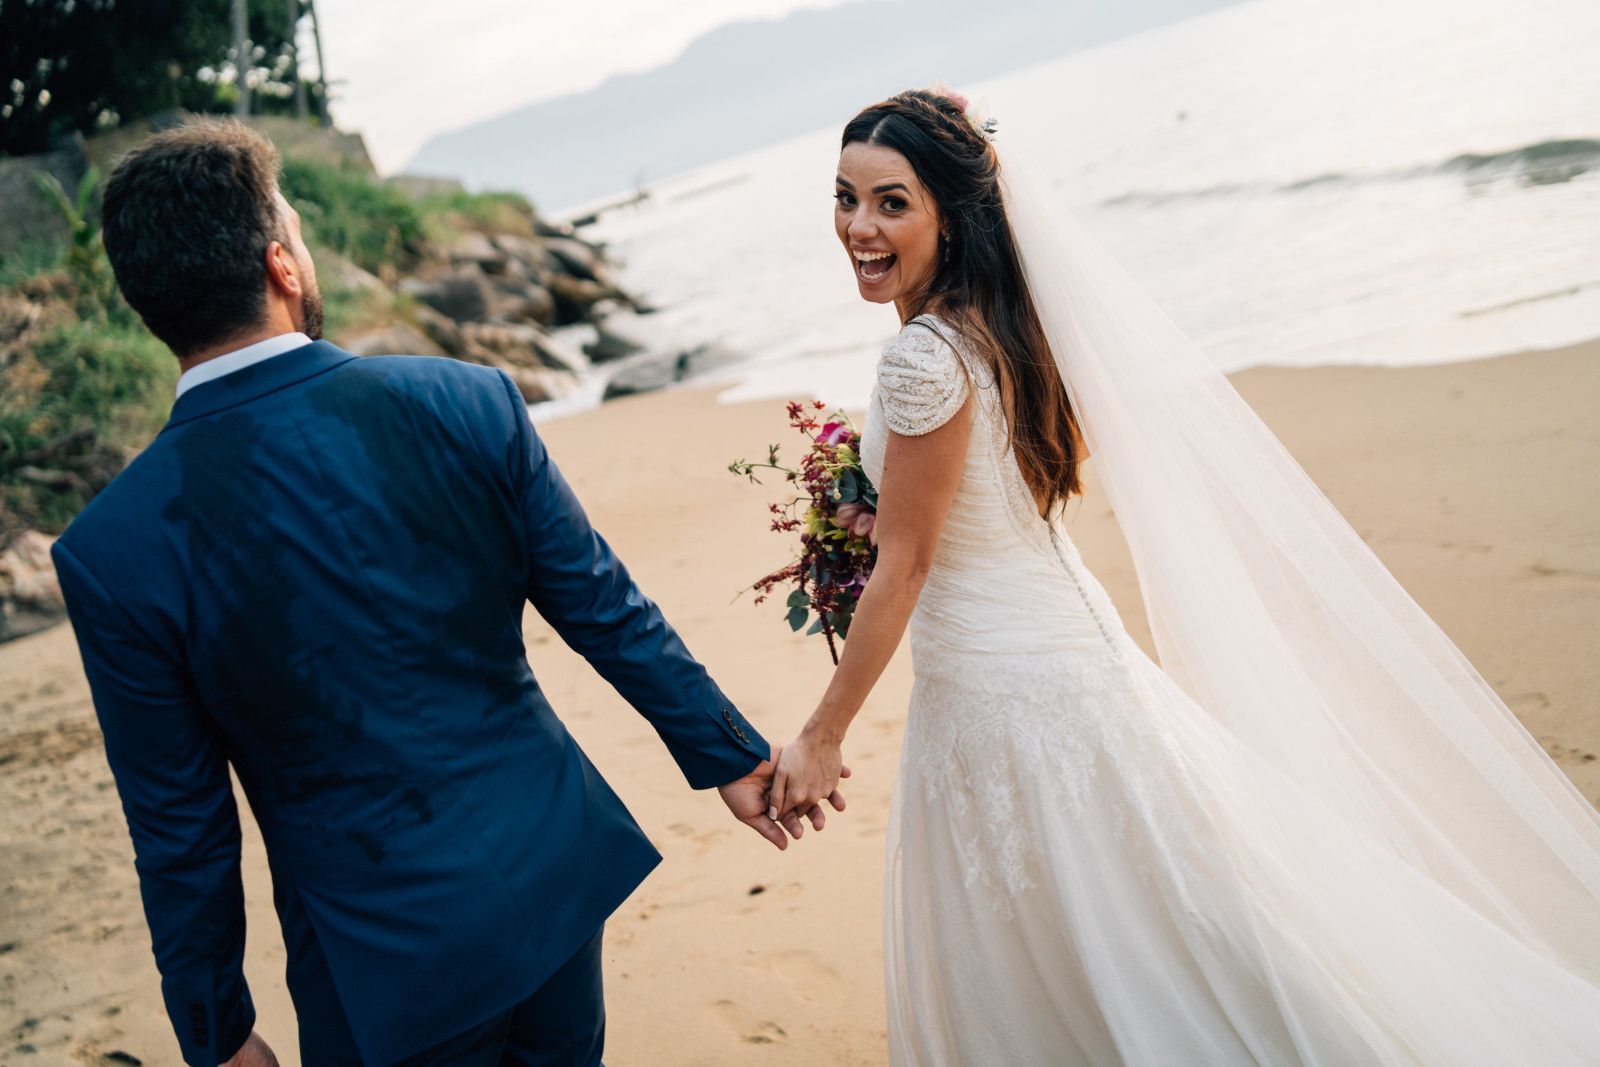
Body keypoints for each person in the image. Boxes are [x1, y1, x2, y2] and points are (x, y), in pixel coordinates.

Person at [768, 88, 1600, 1064]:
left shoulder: (920, 357)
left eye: (891, 202)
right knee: (1159, 917)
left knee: (1116, 944)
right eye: (843, 197)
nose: (859, 227)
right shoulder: (1001, 325)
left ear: (949, 213)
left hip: (1008, 693)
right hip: (1070, 660)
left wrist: (822, 733)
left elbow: (905, 565)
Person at [52, 118, 841, 1067]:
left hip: (379, 959)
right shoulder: (467, 401)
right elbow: (603, 607)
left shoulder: (113, 548)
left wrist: (217, 1029)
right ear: (282, 265)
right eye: (297, 230)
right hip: (549, 876)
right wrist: (728, 756)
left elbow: (179, 824)